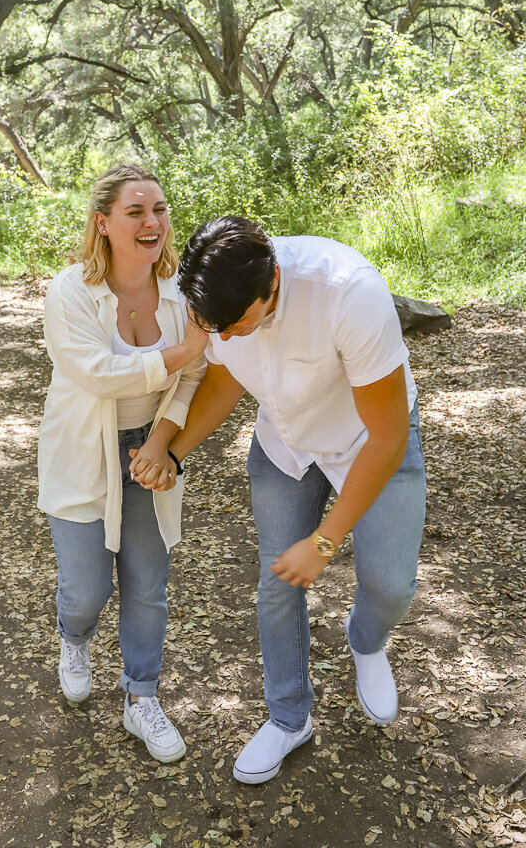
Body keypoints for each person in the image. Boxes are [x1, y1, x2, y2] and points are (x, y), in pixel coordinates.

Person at [130, 217, 427, 783]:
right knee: (277, 581)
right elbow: (223, 380)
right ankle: (290, 718)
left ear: (272, 286)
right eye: (213, 326)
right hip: (285, 447)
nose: (226, 335)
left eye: (236, 325)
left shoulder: (348, 293)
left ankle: (365, 641)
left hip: (368, 441)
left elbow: (387, 437)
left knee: (391, 582)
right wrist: (172, 453)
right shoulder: (213, 297)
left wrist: (324, 541)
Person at [37, 165, 206, 764]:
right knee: (86, 591)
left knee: (148, 585)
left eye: (158, 209)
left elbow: (194, 380)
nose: (152, 222)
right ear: (103, 223)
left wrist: (162, 442)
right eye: (136, 212)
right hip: (83, 447)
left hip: (149, 449)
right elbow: (95, 373)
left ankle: (141, 699)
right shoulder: (71, 292)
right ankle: (74, 638)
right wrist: (180, 352)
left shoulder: (184, 297)